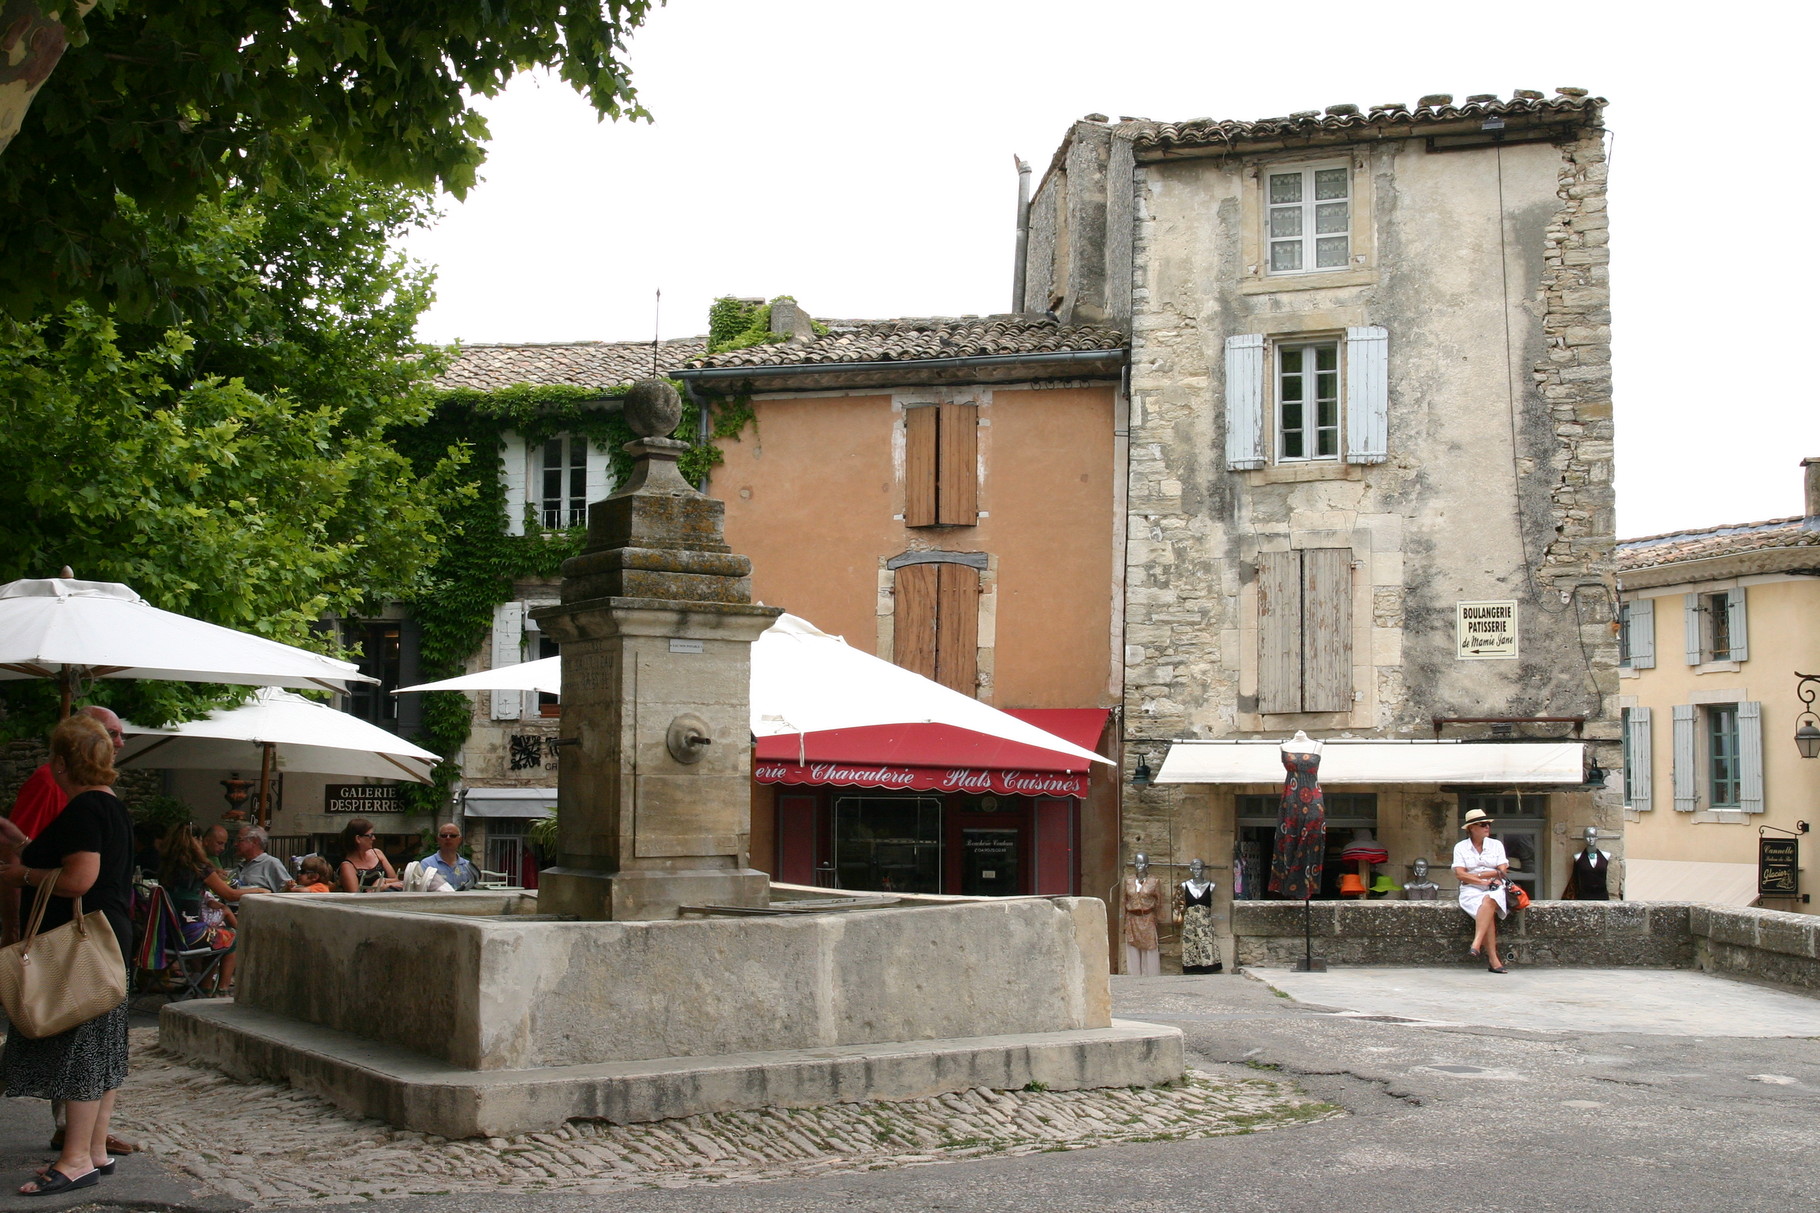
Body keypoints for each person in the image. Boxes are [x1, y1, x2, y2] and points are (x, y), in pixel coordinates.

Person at [0, 714, 133, 1196]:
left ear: (60, 762)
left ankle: (75, 1159)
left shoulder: (81, 810)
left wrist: (19, 876)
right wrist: (23, 843)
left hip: (81, 945)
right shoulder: (109, 806)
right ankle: (93, 1150)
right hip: (109, 938)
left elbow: (79, 879)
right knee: (104, 1048)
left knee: (80, 1047)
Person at [158, 823, 251, 993]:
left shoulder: (166, 867)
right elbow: (230, 894)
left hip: (166, 936)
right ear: (197, 842)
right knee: (232, 937)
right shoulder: (199, 868)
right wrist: (259, 891)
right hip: (190, 936)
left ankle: (204, 987)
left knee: (216, 936)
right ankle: (221, 990)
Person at [1453, 808, 1510, 973]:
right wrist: (1481, 878)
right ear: (1472, 828)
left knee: (1488, 900)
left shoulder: (1496, 845)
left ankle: (1476, 944)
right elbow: (1459, 874)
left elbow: (1502, 870)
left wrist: (1480, 875)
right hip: (1470, 889)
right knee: (1487, 911)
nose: (1487, 828)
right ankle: (1493, 960)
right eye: (1482, 824)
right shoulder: (1461, 847)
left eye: (1488, 824)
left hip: (1494, 886)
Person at [1173, 857, 1222, 974]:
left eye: (1199, 868)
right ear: (1190, 869)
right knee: (1190, 943)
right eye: (1194, 868)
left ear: (1203, 869)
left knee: (1206, 942)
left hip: (1205, 922)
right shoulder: (1184, 885)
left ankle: (1209, 965)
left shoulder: (1210, 885)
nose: (1196, 871)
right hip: (1190, 922)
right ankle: (1191, 966)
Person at [1120, 853, 1162, 977]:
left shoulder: (1154, 881)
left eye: (1142, 863)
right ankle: (1134, 976)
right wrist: (1123, 921)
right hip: (1132, 918)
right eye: (1137, 863)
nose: (1139, 866)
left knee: (1149, 947)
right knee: (1132, 948)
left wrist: (1158, 919)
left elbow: (1159, 902)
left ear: (1147, 864)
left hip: (1147, 918)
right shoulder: (1128, 881)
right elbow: (1123, 901)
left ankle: (1151, 976)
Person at [337, 819, 401, 892]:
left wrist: (381, 881)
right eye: (370, 835)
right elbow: (354, 897)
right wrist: (375, 888)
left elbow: (396, 880)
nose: (374, 838)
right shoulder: (347, 866)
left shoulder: (377, 853)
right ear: (358, 839)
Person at [414, 824, 479, 891]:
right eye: (444, 836)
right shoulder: (427, 864)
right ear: (438, 839)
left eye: (453, 836)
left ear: (460, 840)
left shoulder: (467, 866)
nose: (448, 838)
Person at [230, 826, 289, 892]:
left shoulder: (271, 864)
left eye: (239, 840)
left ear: (255, 841)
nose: (235, 844)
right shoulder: (239, 867)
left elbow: (288, 890)